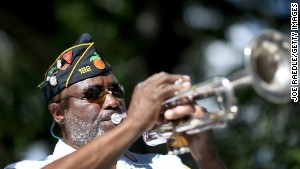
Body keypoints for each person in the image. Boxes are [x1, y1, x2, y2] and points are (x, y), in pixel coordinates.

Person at [5, 33, 227, 169]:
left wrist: (207, 158)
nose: (112, 101)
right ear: (58, 112)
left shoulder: (164, 165)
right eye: (93, 94)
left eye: (115, 89)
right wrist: (134, 123)